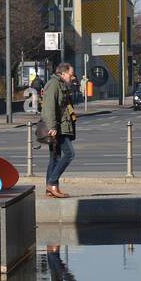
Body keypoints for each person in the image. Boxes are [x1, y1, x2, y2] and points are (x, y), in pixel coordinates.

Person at [41, 60, 78, 198]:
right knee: (70, 154)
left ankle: (50, 188)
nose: (72, 77)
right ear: (63, 73)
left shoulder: (61, 84)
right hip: (57, 127)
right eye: (71, 74)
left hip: (61, 125)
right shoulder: (54, 84)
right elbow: (49, 106)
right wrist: (52, 127)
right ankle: (51, 183)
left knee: (55, 158)